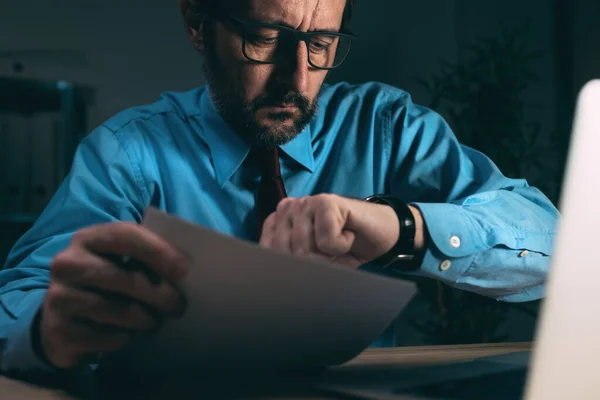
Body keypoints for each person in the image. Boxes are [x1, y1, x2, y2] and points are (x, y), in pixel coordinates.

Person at [0, 0, 559, 374]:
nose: (297, 78)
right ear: (198, 24)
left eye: (321, 44)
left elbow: (556, 244)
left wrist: (401, 227)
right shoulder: (126, 154)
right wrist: (50, 329)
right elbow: (16, 300)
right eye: (265, 38)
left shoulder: (387, 128)